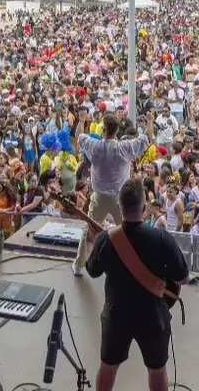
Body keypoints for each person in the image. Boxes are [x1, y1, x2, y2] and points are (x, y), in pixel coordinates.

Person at [86, 178, 190, 391]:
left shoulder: (105, 239)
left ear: (119, 207)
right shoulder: (162, 238)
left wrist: (90, 243)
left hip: (117, 314)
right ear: (144, 208)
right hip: (153, 315)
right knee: (157, 369)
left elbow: (92, 271)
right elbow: (182, 279)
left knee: (108, 365)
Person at [72, 111, 154, 275]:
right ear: (117, 131)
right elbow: (147, 139)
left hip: (100, 198)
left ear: (103, 129)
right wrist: (150, 121)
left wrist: (81, 121)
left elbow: (79, 135)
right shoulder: (124, 148)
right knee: (129, 233)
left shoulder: (94, 146)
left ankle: (79, 266)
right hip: (121, 200)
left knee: (89, 232)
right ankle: (134, 269)